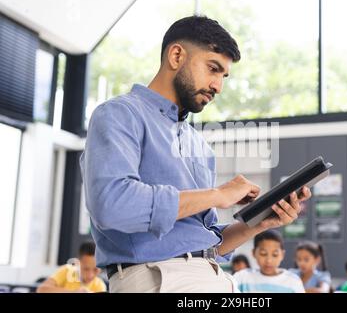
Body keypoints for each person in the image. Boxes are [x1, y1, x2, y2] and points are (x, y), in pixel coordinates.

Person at [80, 15, 312, 293]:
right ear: (176, 55)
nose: (218, 86)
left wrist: (261, 223)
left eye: (223, 76)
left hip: (214, 277)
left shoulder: (198, 145)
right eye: (213, 69)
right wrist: (218, 194)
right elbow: (112, 204)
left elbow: (208, 240)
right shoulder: (119, 114)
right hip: (158, 278)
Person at [233, 230, 304, 293]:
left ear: (282, 255)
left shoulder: (293, 281)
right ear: (254, 253)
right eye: (263, 254)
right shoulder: (242, 277)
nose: (269, 261)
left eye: (275, 255)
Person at [37, 242, 106, 293]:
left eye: (95, 270)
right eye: (86, 269)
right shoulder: (67, 271)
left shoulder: (100, 285)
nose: (90, 275)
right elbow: (41, 290)